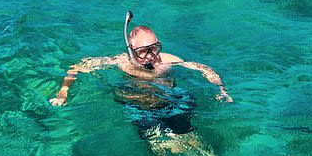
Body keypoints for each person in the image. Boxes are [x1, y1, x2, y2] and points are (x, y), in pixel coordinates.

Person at [49, 24, 233, 107]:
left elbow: (204, 68)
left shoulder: (167, 60)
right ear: (131, 50)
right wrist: (63, 92)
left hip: (172, 99)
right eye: (143, 51)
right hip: (138, 103)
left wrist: (221, 90)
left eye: (155, 49)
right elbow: (77, 67)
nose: (151, 56)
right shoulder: (121, 61)